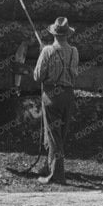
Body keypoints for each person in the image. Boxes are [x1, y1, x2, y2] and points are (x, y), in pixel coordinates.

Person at [33, 16, 79, 185]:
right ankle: (49, 166)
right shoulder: (74, 51)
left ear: (54, 34)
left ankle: (57, 175)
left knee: (54, 137)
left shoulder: (47, 51)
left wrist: (43, 57)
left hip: (52, 95)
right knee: (57, 134)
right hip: (68, 95)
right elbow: (74, 74)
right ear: (67, 35)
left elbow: (38, 76)